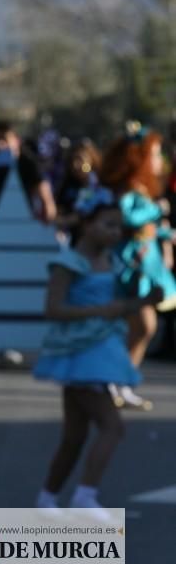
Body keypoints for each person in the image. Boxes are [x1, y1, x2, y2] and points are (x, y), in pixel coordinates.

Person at [33, 186, 162, 516]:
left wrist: (144, 299)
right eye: (107, 225)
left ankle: (47, 498)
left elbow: (116, 306)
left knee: (74, 436)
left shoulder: (110, 260)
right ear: (86, 224)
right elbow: (54, 309)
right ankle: (85, 495)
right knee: (112, 426)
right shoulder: (69, 262)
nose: (115, 232)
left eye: (118, 226)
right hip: (83, 355)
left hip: (102, 350)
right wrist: (100, 312)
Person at [98, 124, 176, 409]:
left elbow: (149, 228)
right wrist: (158, 210)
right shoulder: (130, 190)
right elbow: (130, 218)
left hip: (147, 261)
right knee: (142, 324)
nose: (160, 160)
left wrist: (168, 234)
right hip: (133, 265)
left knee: (144, 326)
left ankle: (122, 382)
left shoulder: (143, 189)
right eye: (155, 154)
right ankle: (115, 380)